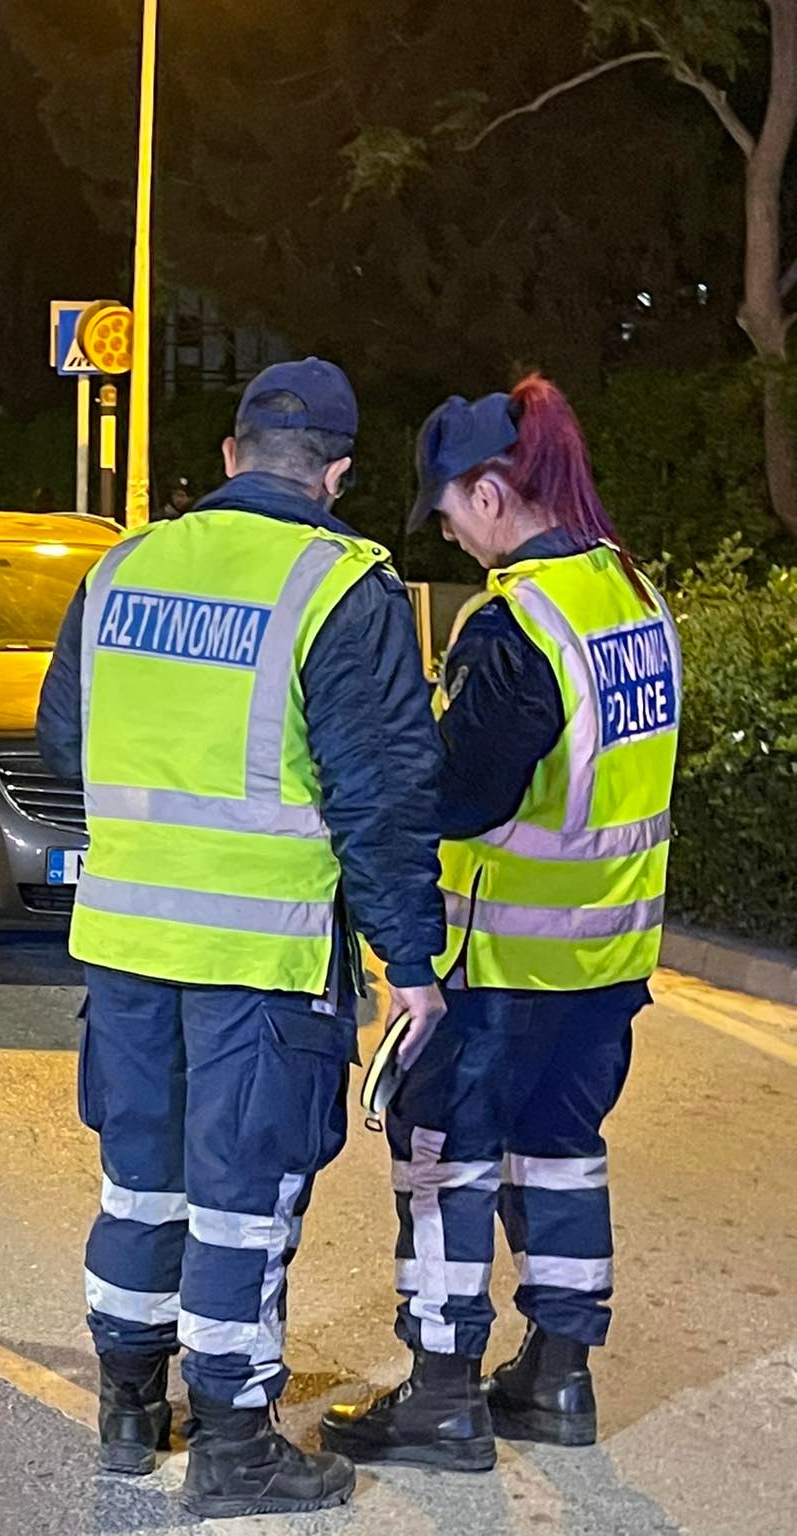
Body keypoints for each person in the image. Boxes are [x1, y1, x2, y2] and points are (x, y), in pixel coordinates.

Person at [36, 358, 447, 1518]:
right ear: (336, 471)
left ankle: (126, 1408)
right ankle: (231, 1445)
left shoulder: (124, 566)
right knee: (238, 1202)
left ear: (225, 458)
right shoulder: (339, 586)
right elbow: (381, 797)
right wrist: (408, 963)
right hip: (257, 962)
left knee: (138, 1184)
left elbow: (64, 736)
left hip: (122, 944)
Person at [319, 376, 680, 1472]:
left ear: (489, 491)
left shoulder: (514, 622)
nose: (441, 528)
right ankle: (557, 1375)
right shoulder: (628, 594)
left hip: (500, 961)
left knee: (442, 1165)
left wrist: (384, 773)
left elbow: (468, 792)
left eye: (443, 506)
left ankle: (439, 1394)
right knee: (559, 1156)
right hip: (605, 961)